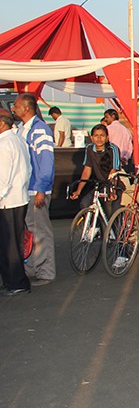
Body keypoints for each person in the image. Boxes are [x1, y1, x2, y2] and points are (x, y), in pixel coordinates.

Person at [12, 93, 55, 287]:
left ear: (26, 108)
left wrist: (41, 189)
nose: (14, 109)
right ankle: (31, 268)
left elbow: (46, 161)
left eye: (16, 106)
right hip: (24, 190)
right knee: (29, 233)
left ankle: (46, 272)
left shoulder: (40, 130)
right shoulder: (22, 129)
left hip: (36, 190)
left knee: (40, 232)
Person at [0, 109, 32, 296]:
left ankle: (17, 282)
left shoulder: (5, 144)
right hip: (18, 197)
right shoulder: (17, 139)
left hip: (8, 201)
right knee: (11, 243)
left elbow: (3, 178)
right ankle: (12, 281)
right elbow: (27, 169)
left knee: (9, 245)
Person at [69, 124, 122, 217]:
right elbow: (87, 170)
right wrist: (78, 190)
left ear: (107, 138)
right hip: (100, 184)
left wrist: (112, 191)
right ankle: (96, 229)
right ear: (91, 138)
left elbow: (114, 172)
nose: (99, 138)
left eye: (102, 135)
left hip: (116, 185)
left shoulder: (113, 149)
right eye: (96, 136)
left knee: (114, 214)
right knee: (85, 204)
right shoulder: (89, 149)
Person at [102, 108, 134, 173]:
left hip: (111, 163)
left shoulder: (108, 129)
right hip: (124, 163)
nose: (105, 119)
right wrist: (125, 158)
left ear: (113, 116)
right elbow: (130, 147)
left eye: (106, 117)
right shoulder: (126, 130)